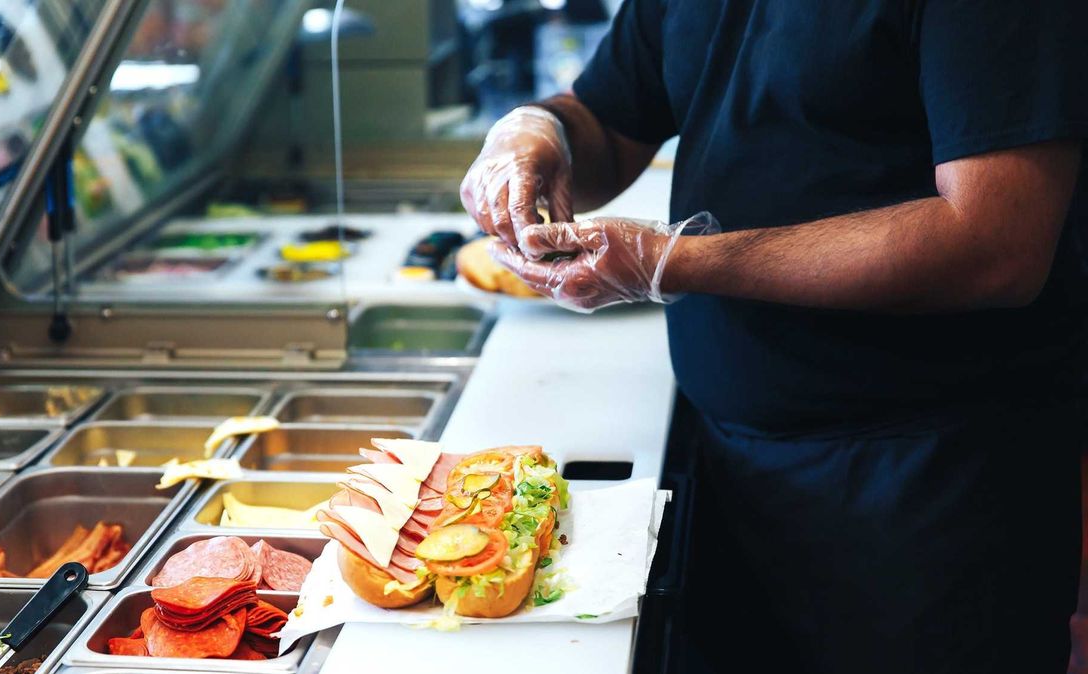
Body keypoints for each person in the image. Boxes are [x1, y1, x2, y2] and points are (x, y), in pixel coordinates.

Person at [459, 2, 1088, 673]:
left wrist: (681, 260)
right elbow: (610, 126)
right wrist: (539, 135)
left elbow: (995, 245)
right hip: (733, 464)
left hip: (928, 486)